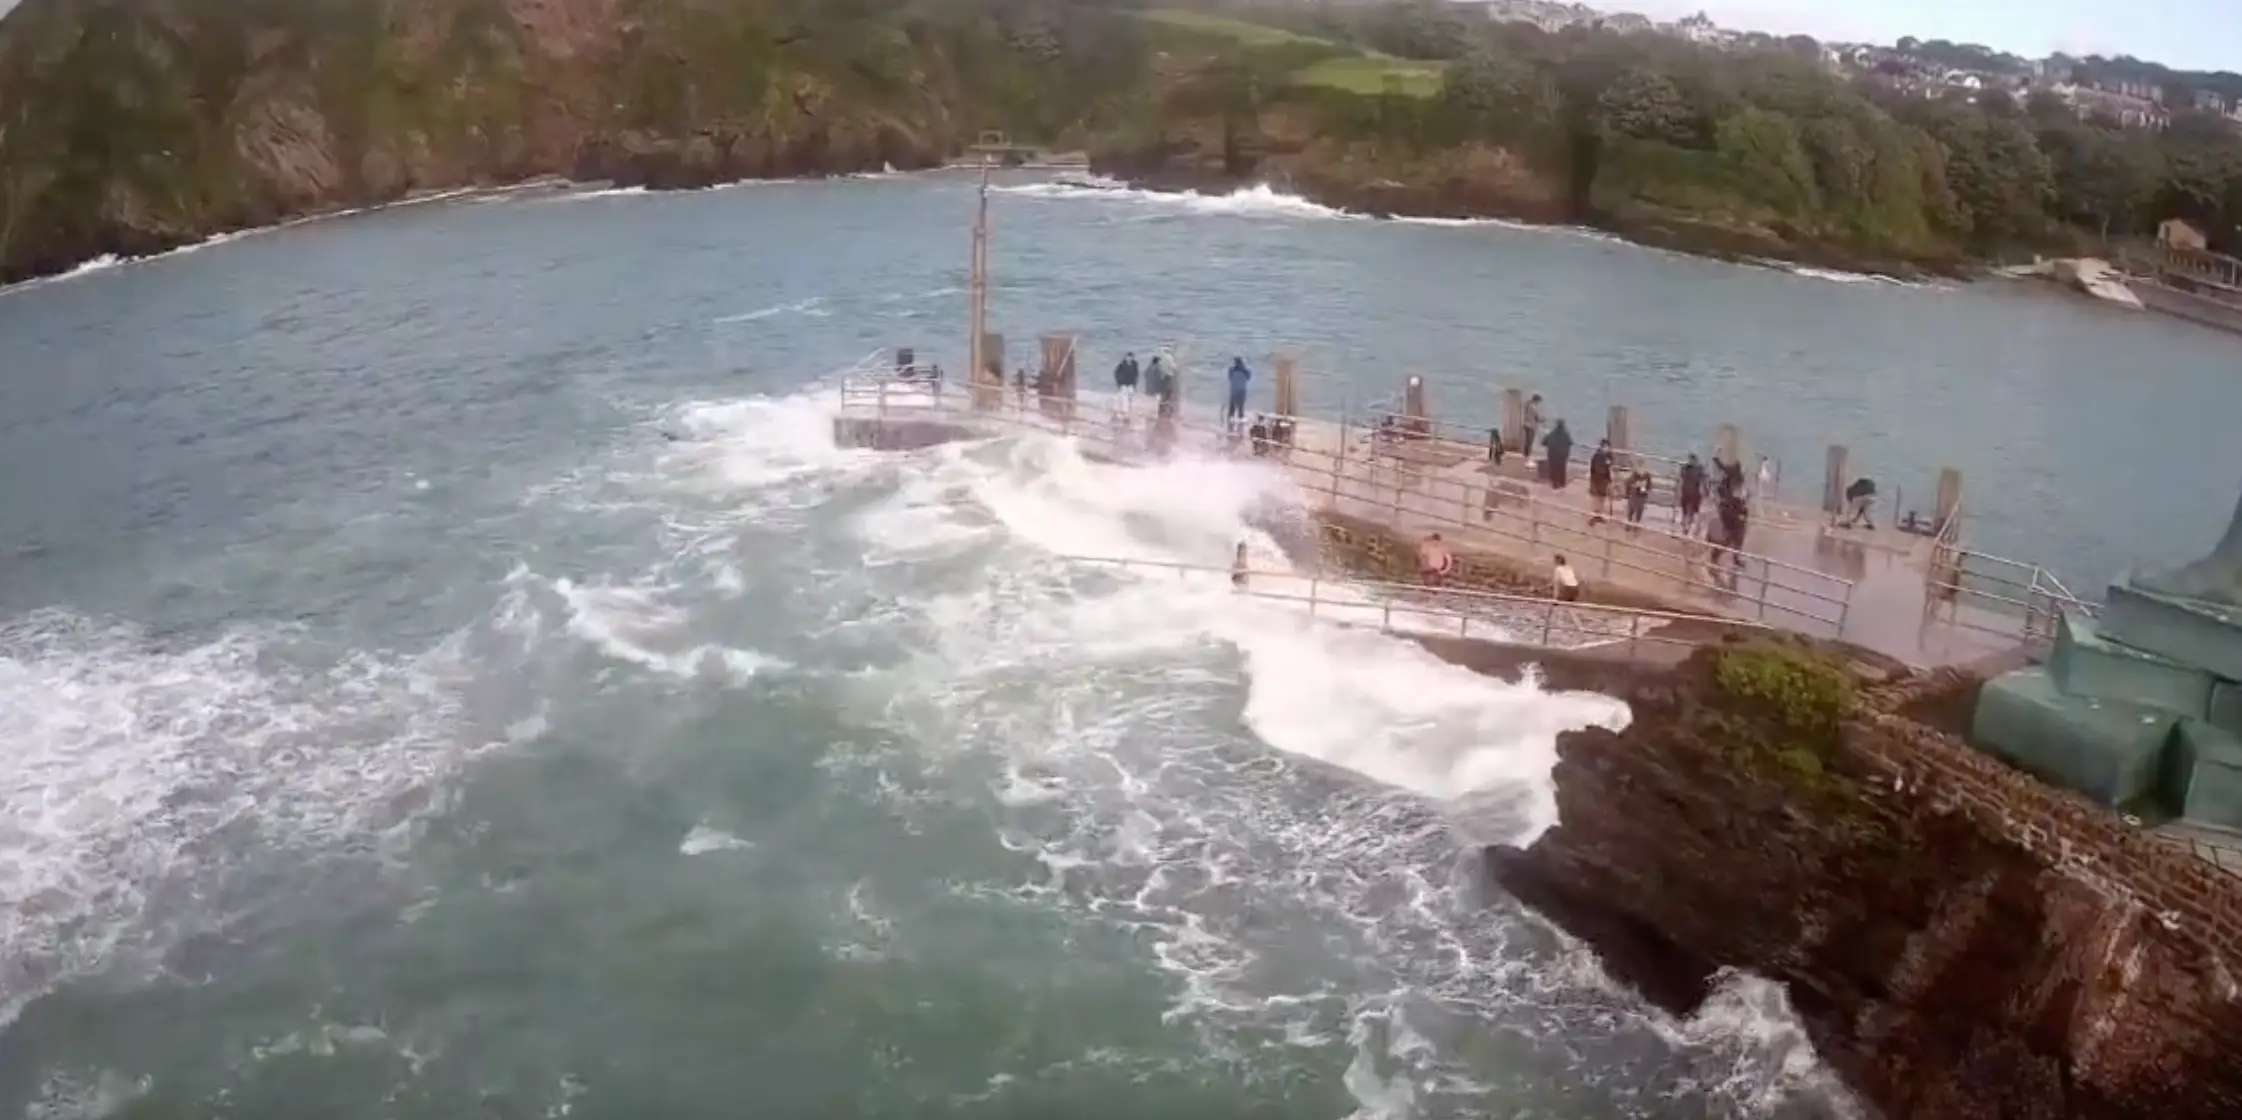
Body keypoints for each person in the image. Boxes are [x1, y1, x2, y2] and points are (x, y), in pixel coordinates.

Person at [1587, 439, 1616, 522]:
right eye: (1605, 447)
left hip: (1605, 480)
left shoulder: (1609, 456)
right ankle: (1594, 515)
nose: (1607, 449)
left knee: (1602, 498)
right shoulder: (1596, 456)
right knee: (1595, 498)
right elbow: (1593, 468)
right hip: (1596, 479)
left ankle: (1599, 515)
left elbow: (1610, 468)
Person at [1677, 454, 1706, 535]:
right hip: (1689, 492)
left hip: (1692, 493)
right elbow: (1681, 480)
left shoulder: (1687, 469)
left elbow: (1702, 482)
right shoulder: (1687, 469)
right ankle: (1686, 526)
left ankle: (1686, 527)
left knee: (1689, 512)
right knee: (1687, 511)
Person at [1541, 420, 1574, 490]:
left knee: (1554, 469)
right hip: (1563, 455)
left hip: (1553, 455)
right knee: (1562, 469)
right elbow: (1571, 443)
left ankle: (1555, 484)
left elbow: (1543, 443)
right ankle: (1562, 483)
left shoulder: (1551, 434)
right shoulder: (1566, 434)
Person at [1225, 357, 1253, 430]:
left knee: (1232, 406)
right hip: (1242, 390)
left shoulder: (1231, 370)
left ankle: (1231, 420)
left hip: (1234, 390)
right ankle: (1241, 419)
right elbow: (1248, 378)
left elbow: (1230, 378)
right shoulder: (1245, 371)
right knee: (1241, 406)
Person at [1521, 394, 1544, 467]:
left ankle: (1525, 456)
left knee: (1527, 441)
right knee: (1530, 442)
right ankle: (1528, 458)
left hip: (1525, 424)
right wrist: (1543, 420)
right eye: (1539, 402)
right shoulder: (1533, 407)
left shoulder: (1527, 405)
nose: (1539, 403)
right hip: (1531, 426)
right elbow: (1537, 417)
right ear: (1536, 400)